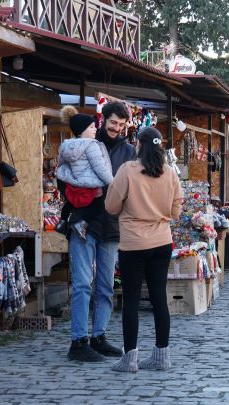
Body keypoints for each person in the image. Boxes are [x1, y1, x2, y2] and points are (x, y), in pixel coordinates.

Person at [105, 127, 183, 373]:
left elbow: (111, 206)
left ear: (139, 145)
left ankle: (129, 358)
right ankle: (162, 355)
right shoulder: (169, 173)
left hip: (133, 243)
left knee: (131, 299)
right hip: (162, 241)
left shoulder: (128, 171)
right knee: (160, 298)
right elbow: (176, 210)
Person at [66, 101, 135, 362]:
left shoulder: (129, 151)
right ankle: (78, 341)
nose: (116, 128)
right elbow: (67, 178)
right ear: (103, 120)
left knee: (106, 286)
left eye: (121, 124)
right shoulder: (86, 143)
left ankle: (99, 336)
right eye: (112, 123)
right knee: (83, 284)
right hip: (85, 223)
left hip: (113, 226)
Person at [57, 106, 113, 239]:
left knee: (70, 203)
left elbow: (62, 165)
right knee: (100, 204)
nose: (96, 129)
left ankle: (62, 221)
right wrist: (112, 182)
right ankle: (82, 224)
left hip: (74, 184)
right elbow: (100, 167)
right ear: (82, 130)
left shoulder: (67, 146)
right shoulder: (91, 145)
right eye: (92, 127)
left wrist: (68, 179)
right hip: (90, 185)